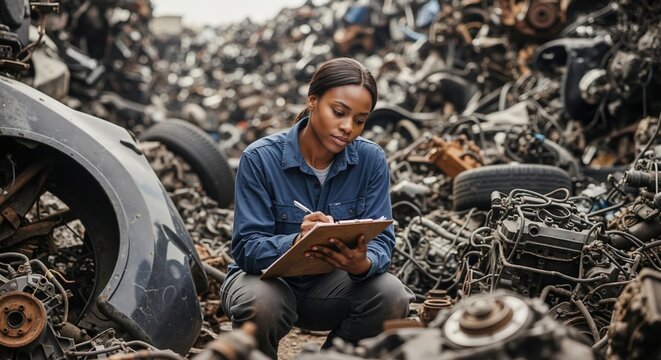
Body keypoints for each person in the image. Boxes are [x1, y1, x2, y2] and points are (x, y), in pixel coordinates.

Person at [220, 57, 415, 359]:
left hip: (329, 289)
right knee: (263, 303)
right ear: (313, 101)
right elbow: (247, 249)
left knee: (391, 294)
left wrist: (362, 263)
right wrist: (296, 242)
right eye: (338, 112)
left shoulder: (371, 160)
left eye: (360, 120)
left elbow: (383, 241)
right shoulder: (259, 159)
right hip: (264, 283)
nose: (348, 127)